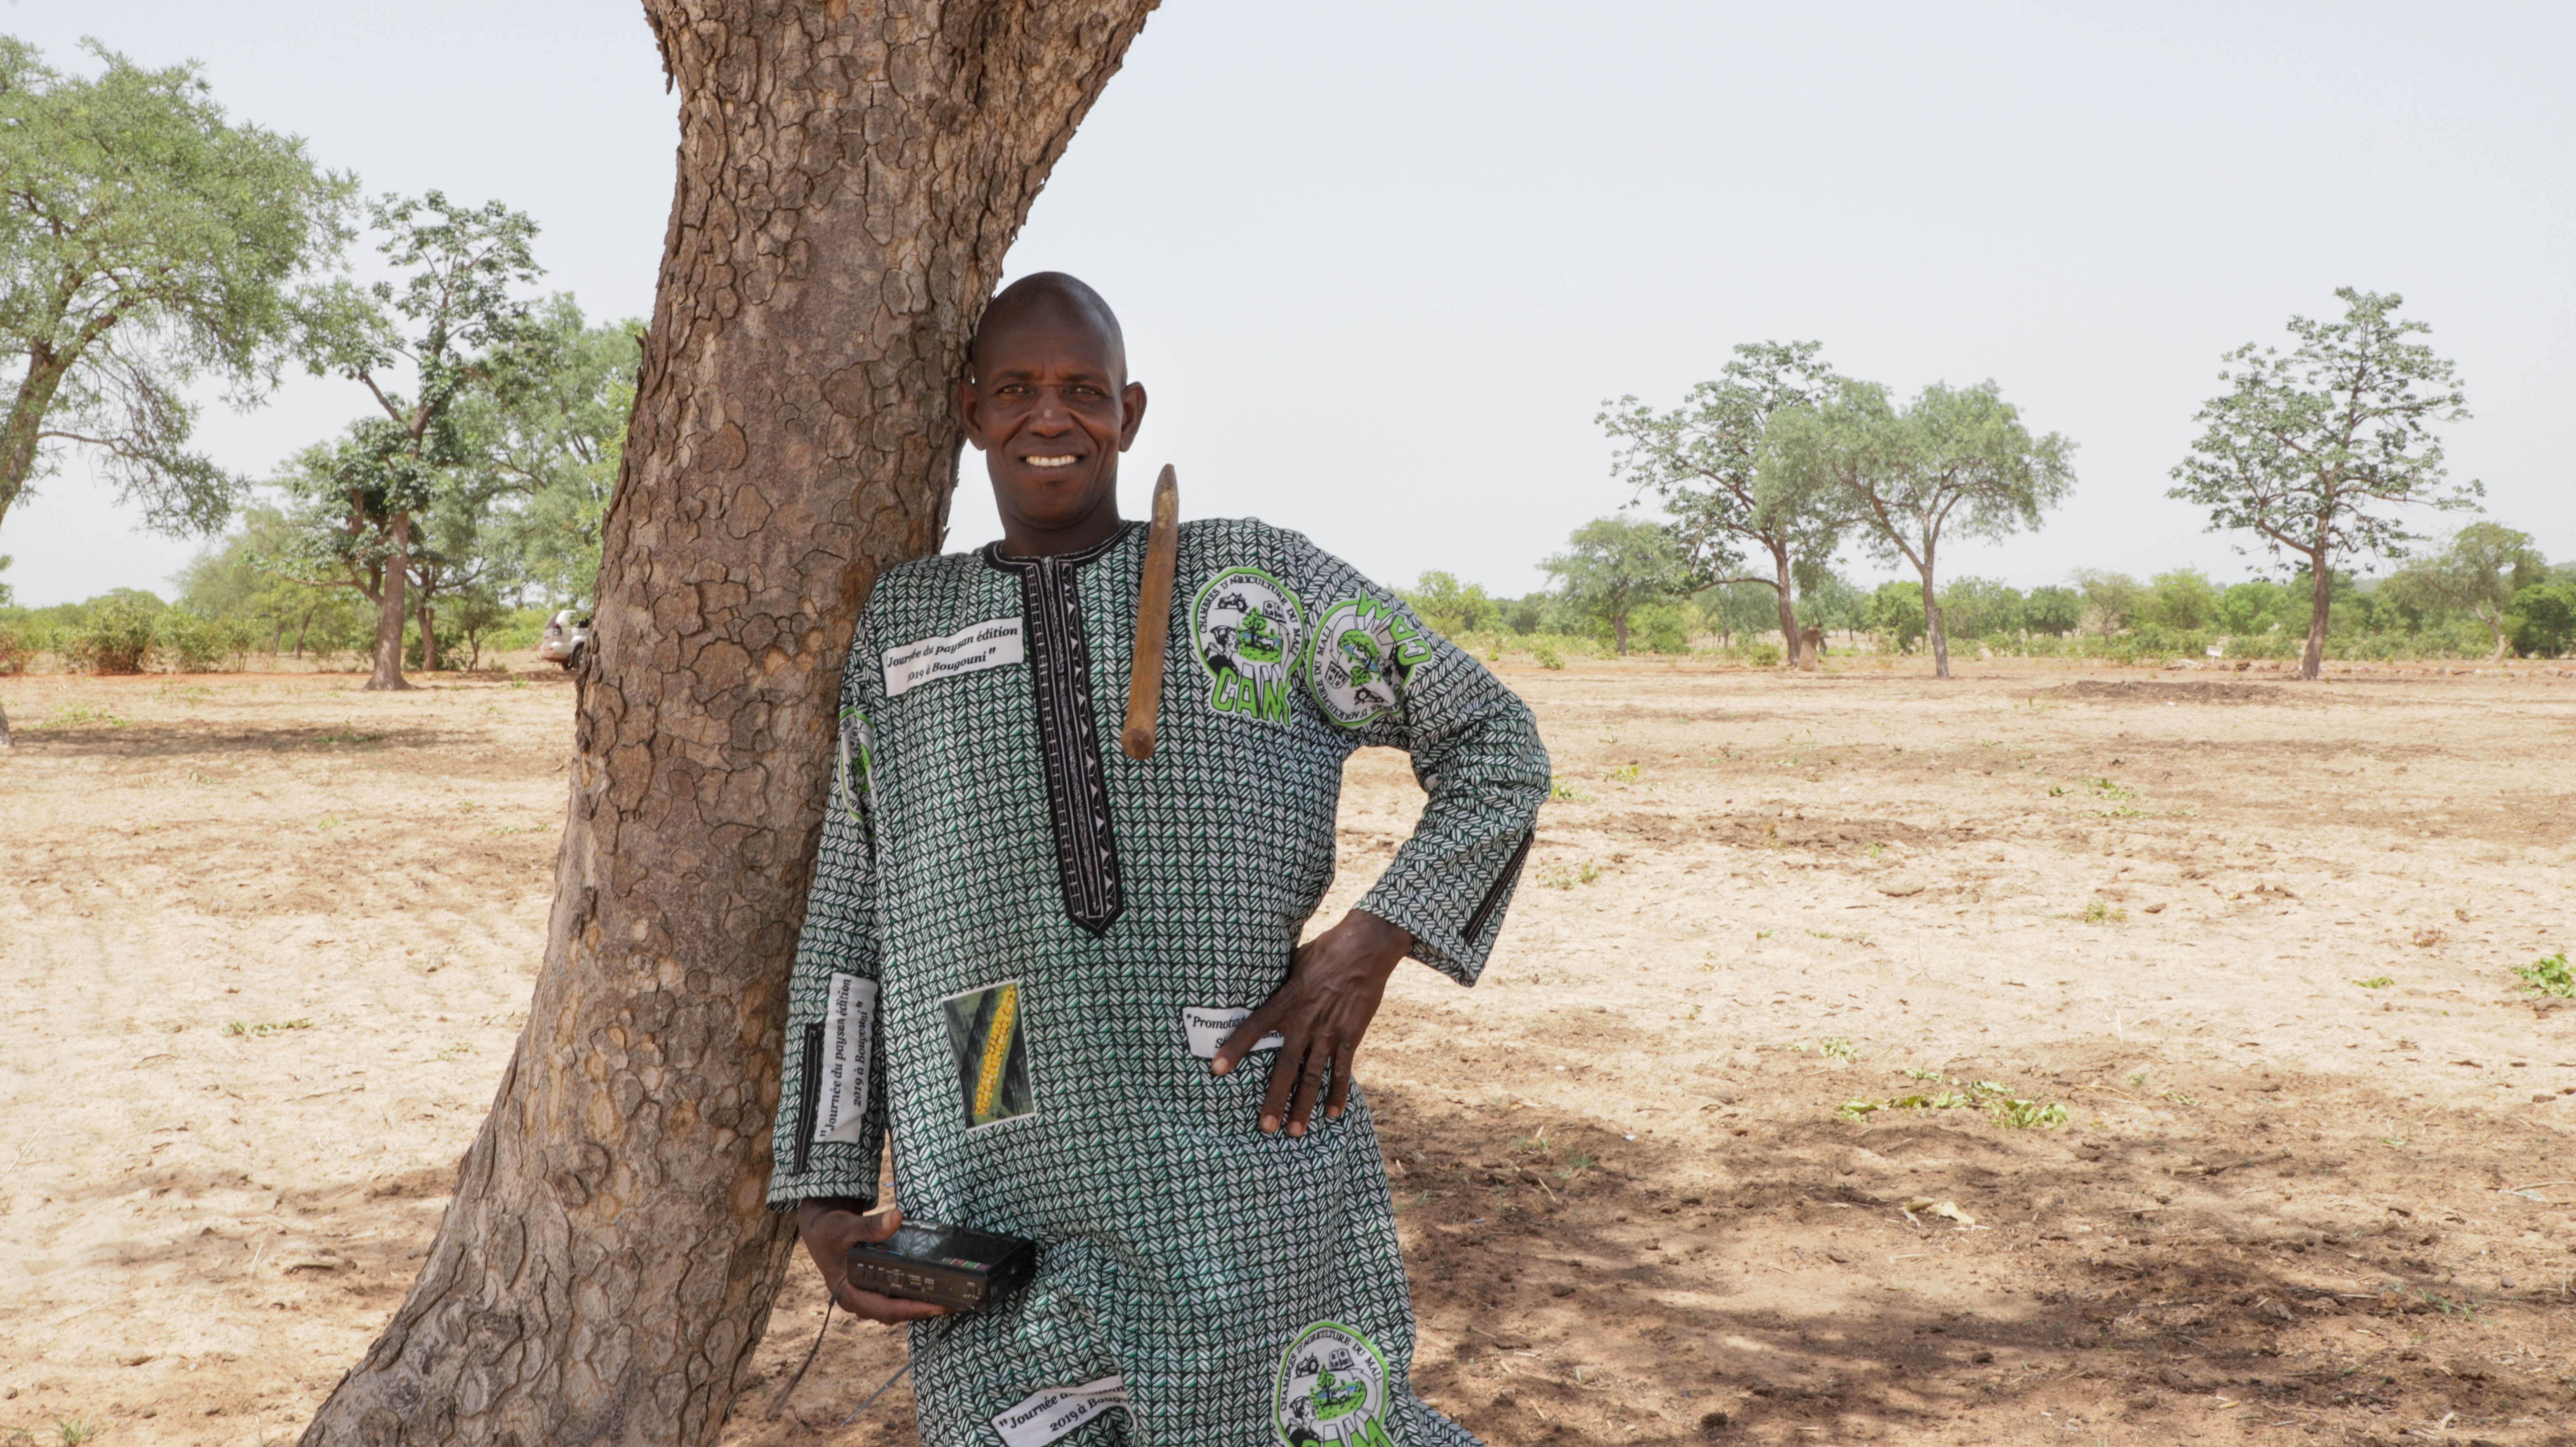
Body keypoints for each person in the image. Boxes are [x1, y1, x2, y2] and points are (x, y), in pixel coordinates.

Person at [767, 272, 1549, 1447]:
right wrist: (824, 1202)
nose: (1051, 419)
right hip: (995, 1141)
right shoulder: (905, 626)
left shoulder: (1257, 588)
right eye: (1019, 390)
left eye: (1083, 391)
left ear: (1129, 415)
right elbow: (851, 915)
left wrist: (1365, 949)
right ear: (971, 409)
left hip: (1237, 1133)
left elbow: (1495, 742)